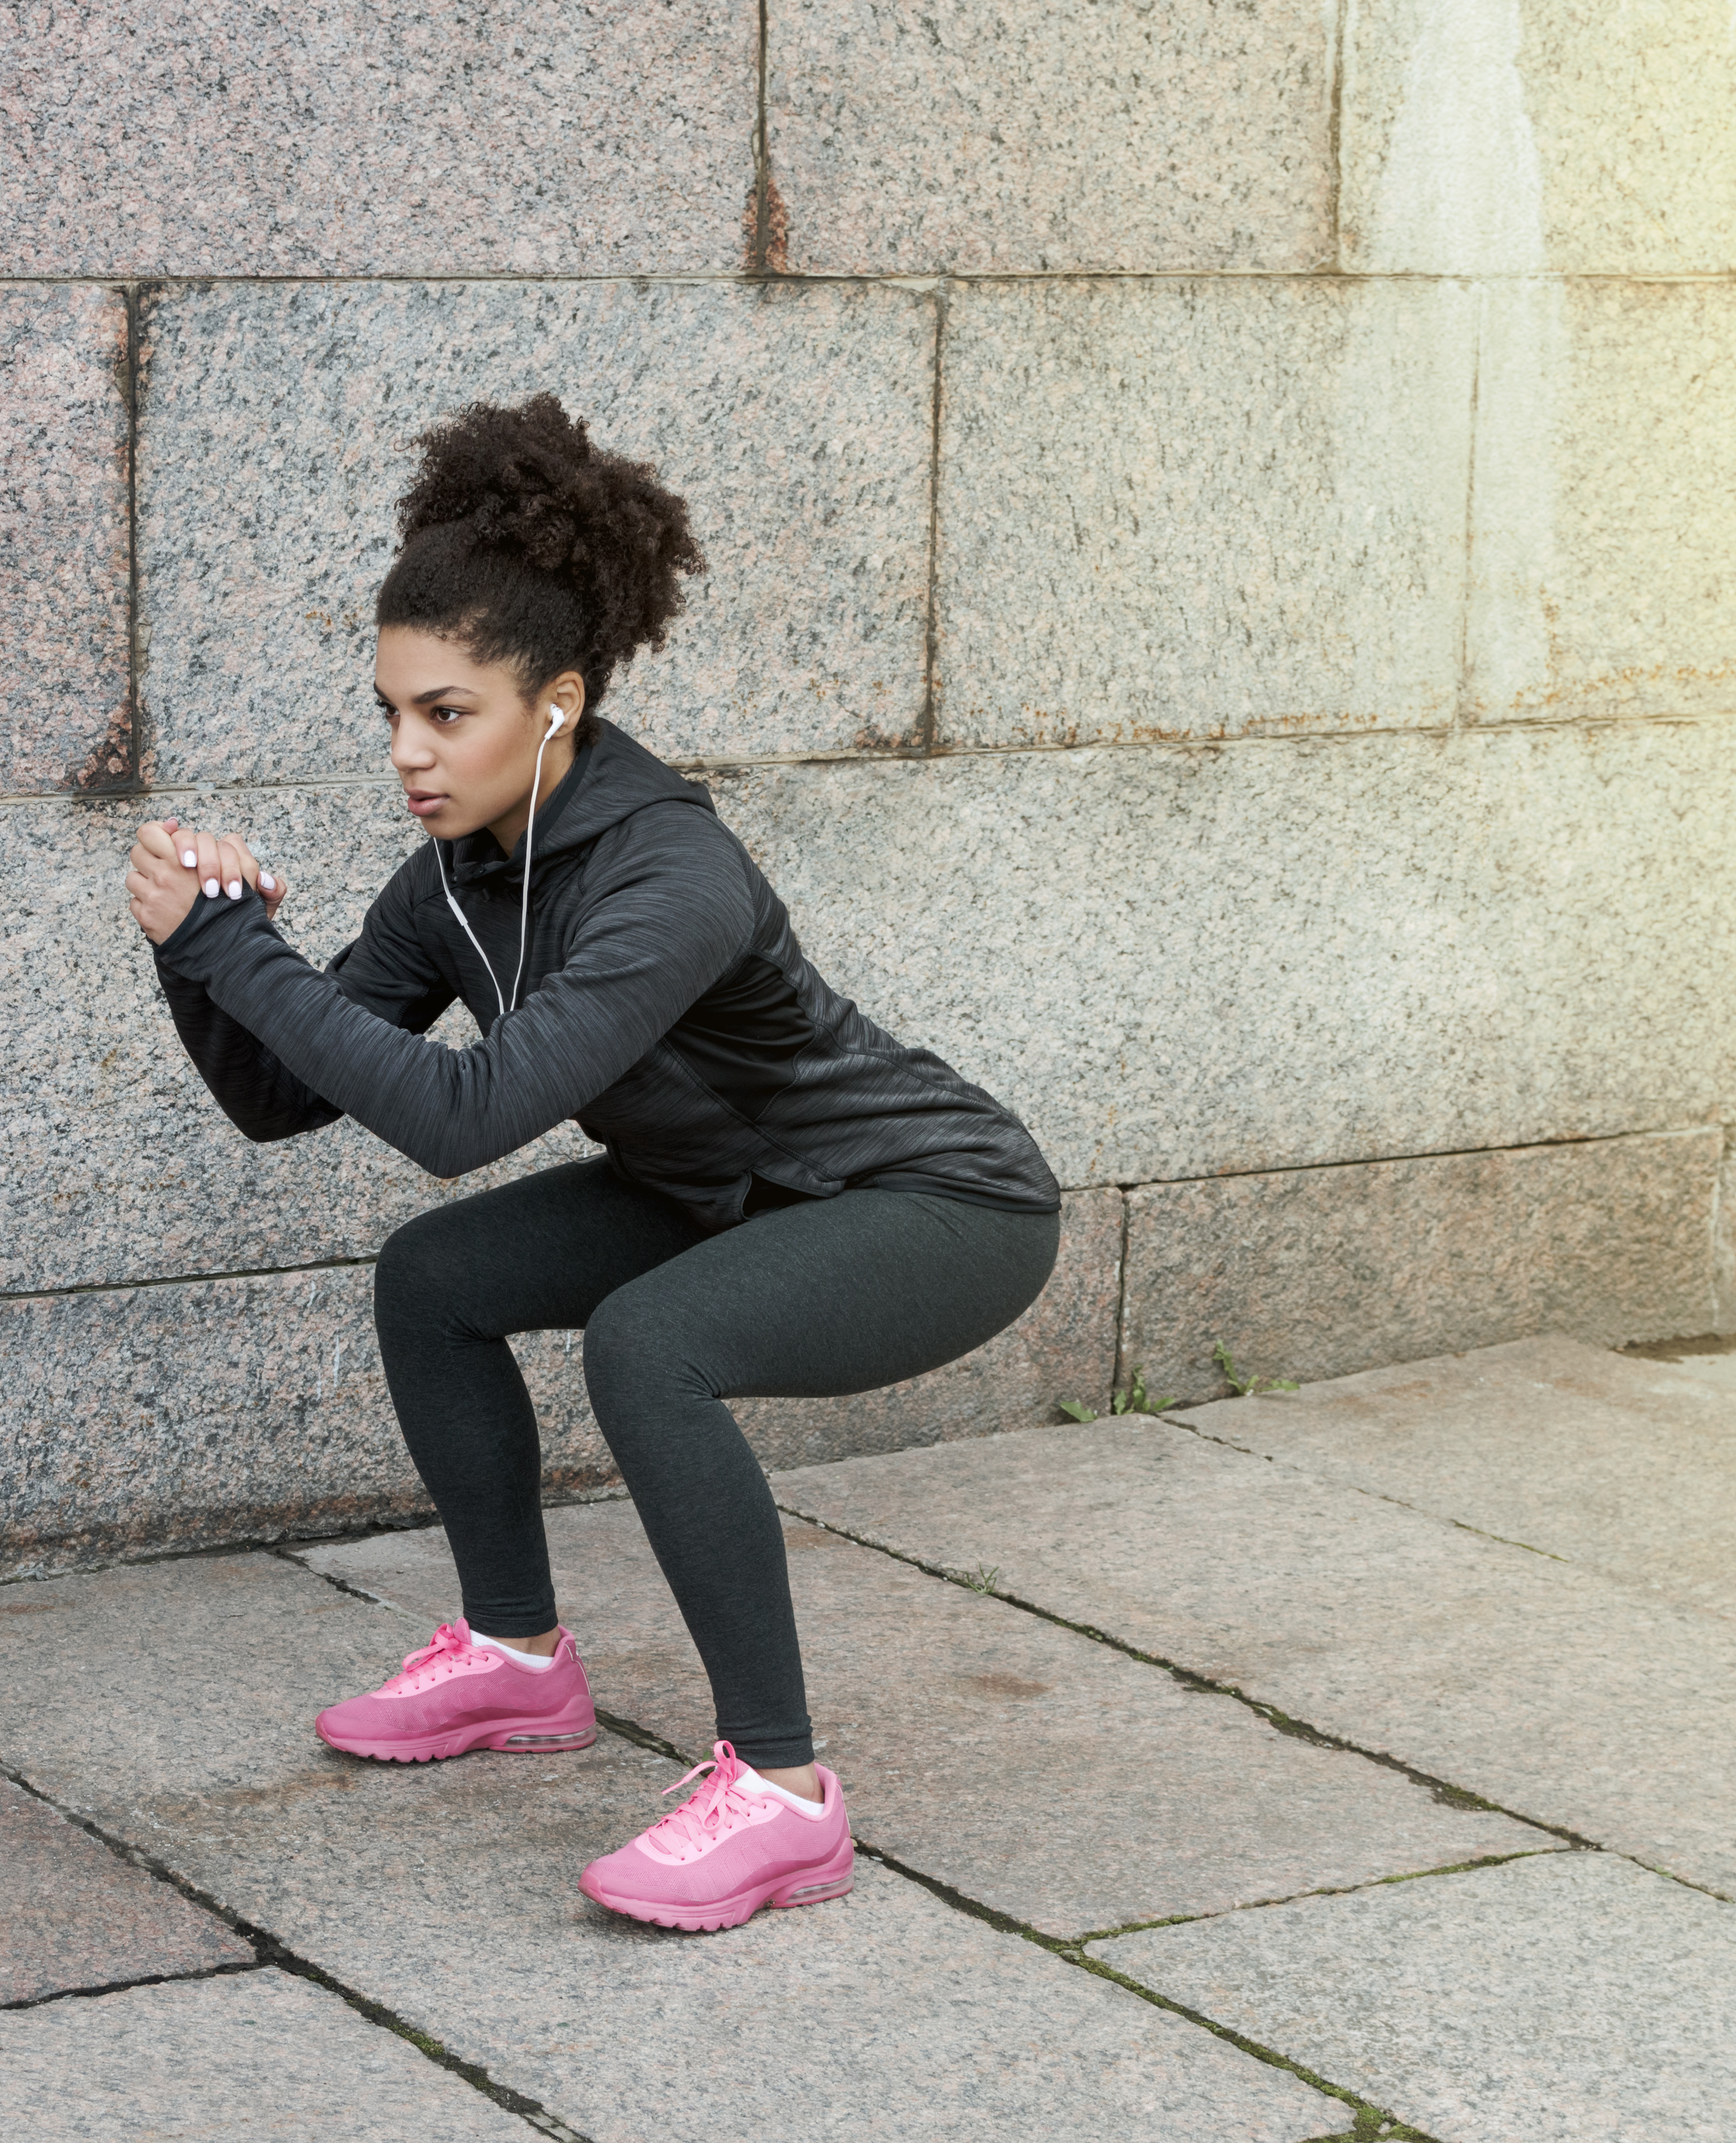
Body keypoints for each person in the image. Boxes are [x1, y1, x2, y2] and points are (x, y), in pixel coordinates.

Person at [123, 394, 1060, 1932]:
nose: (409, 754)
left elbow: (456, 1115)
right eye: (390, 712)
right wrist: (195, 950)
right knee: (436, 1281)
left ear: (554, 704)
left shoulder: (665, 867)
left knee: (652, 1342)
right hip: (718, 1188)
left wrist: (242, 947)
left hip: (932, 1200)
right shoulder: (462, 874)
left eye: (447, 713)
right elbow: (281, 1102)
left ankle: (782, 1793)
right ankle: (512, 1659)